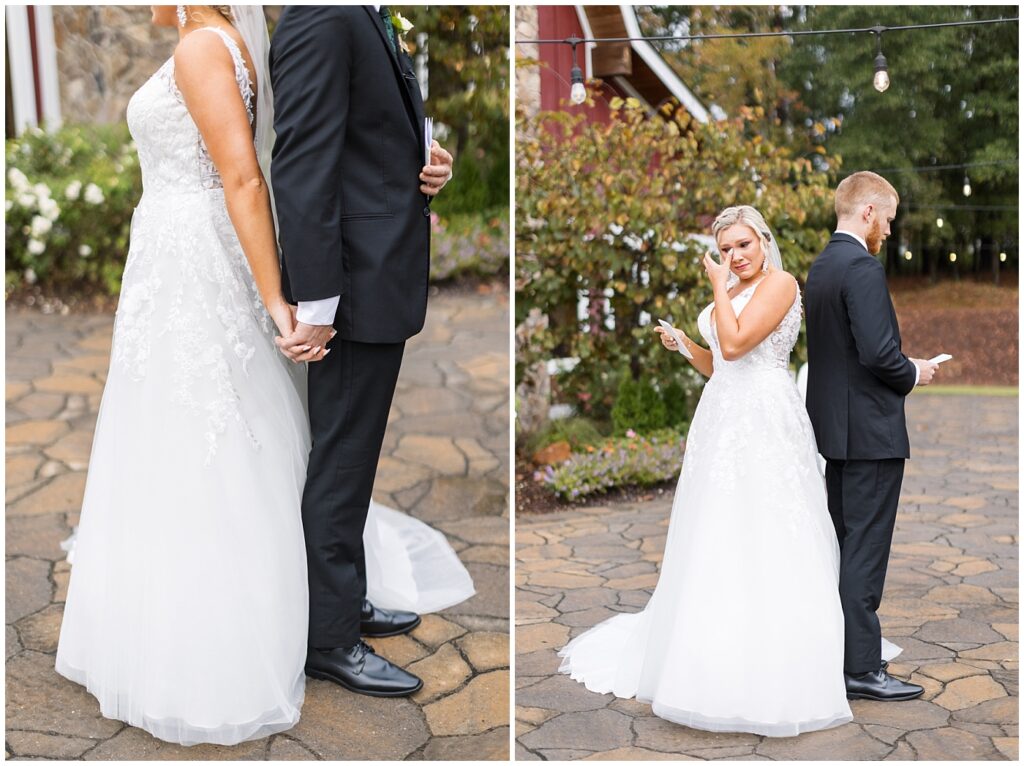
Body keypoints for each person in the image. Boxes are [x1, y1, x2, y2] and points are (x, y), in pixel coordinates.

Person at [55, 4, 472, 746]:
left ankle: (322, 623)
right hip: (193, 265)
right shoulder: (243, 40)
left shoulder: (225, 43)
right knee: (269, 444)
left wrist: (295, 298)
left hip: (218, 261)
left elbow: (259, 173)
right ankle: (325, 606)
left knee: (271, 445)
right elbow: (305, 139)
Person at [558, 205, 853, 737]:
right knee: (716, 529)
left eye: (742, 245)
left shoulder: (781, 283)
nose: (733, 257)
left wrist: (717, 285)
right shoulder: (736, 287)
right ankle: (705, 650)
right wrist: (687, 346)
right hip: (721, 418)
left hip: (763, 422)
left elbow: (739, 345)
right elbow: (719, 362)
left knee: (766, 528)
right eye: (724, 251)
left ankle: (772, 660)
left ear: (763, 240)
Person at [268, 4, 457, 699]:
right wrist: (318, 305)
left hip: (378, 270)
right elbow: (302, 165)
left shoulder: (364, 14)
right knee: (341, 464)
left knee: (354, 456)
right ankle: (329, 640)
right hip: (348, 286)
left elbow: (364, 144)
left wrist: (424, 166)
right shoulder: (322, 17)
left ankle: (344, 601)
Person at [805, 171, 936, 701]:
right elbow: (879, 354)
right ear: (867, 212)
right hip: (872, 435)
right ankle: (860, 669)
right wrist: (915, 373)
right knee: (865, 553)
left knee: (845, 545)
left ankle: (846, 653)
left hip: (837, 435)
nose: (887, 228)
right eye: (886, 217)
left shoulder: (820, 267)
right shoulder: (861, 266)